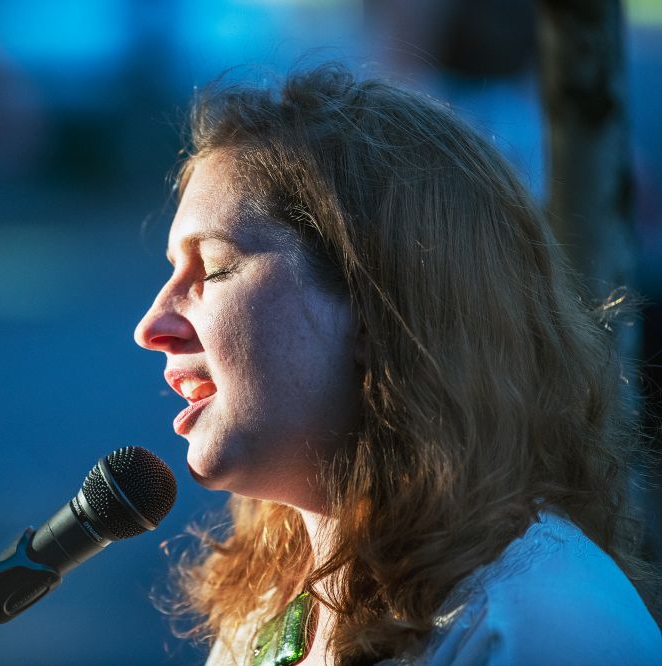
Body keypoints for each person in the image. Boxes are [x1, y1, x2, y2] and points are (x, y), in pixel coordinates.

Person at [134, 64, 661, 665]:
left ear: (376, 303)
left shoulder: (547, 630)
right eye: (172, 272)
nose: (151, 326)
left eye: (217, 269)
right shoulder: (267, 611)